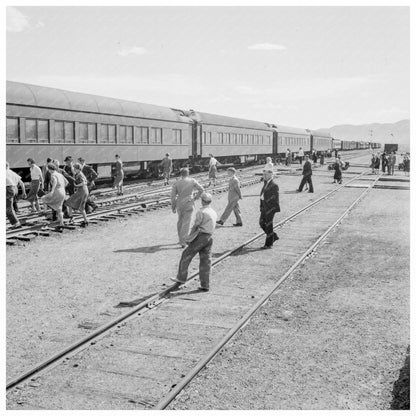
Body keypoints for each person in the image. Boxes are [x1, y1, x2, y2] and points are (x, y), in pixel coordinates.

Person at [170, 192, 217, 291]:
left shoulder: (202, 212)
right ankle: (205, 284)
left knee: (186, 255)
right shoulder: (213, 211)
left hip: (201, 237)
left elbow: (196, 225)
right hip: (210, 237)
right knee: (205, 261)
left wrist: (189, 237)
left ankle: (181, 278)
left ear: (202, 201)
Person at [171, 168, 204, 247]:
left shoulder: (176, 183)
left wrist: (173, 207)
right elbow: (201, 189)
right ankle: (183, 241)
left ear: (180, 174)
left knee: (180, 221)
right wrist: (196, 197)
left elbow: (173, 197)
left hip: (179, 204)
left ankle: (180, 239)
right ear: (188, 173)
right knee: (187, 222)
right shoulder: (192, 181)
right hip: (189, 203)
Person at [40, 163, 68, 228]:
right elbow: (66, 182)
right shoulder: (60, 174)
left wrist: (52, 191)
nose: (48, 171)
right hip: (63, 192)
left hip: (57, 191)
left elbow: (55, 181)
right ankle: (61, 222)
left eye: (48, 169)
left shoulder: (53, 175)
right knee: (59, 207)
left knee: (43, 198)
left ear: (50, 169)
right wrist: (61, 187)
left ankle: (46, 211)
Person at [259, 168, 280, 249]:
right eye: (263, 175)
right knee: (261, 223)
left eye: (266, 175)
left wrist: (268, 206)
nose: (264, 176)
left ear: (271, 175)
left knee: (269, 225)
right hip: (264, 207)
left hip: (270, 208)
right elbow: (262, 195)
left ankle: (268, 244)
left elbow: (275, 198)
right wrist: (262, 206)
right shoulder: (266, 183)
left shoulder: (274, 185)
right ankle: (273, 236)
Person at [6, 162, 27, 228]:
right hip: (14, 189)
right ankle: (15, 222)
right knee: (10, 207)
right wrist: (24, 192)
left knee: (8, 208)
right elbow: (21, 183)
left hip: (8, 189)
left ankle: (16, 223)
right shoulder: (11, 172)